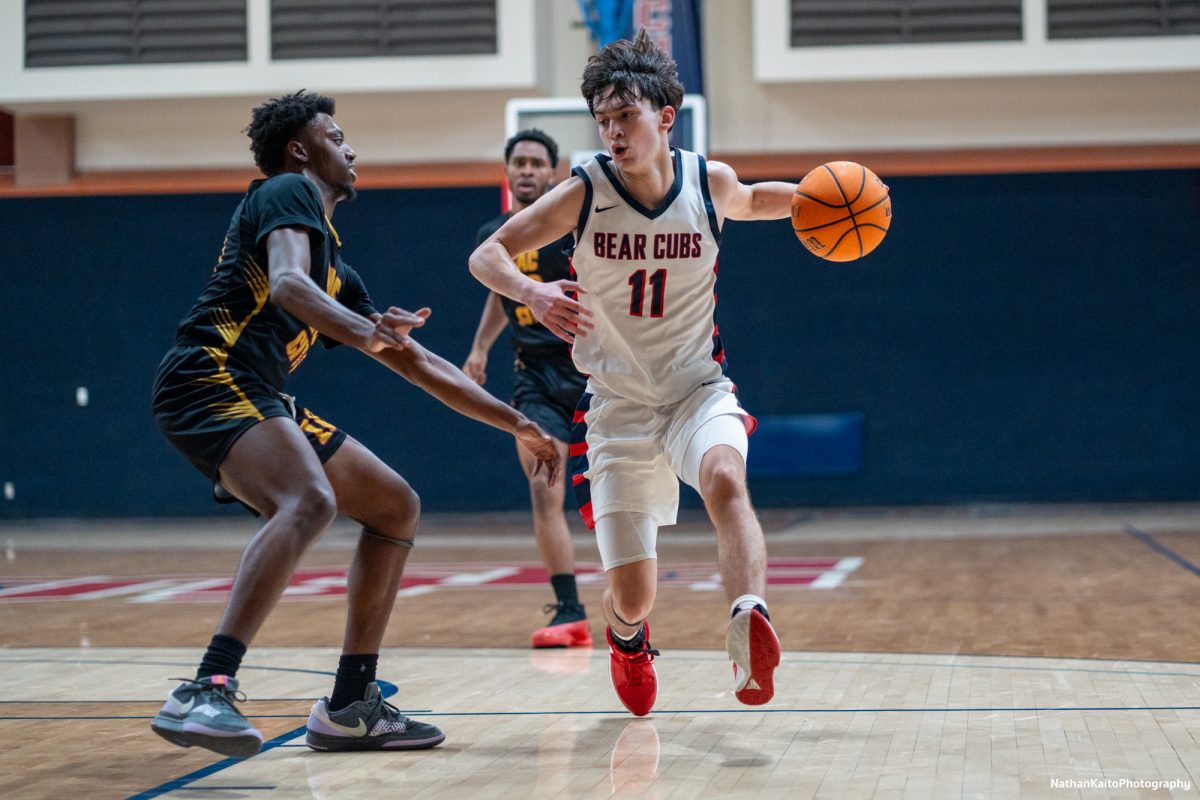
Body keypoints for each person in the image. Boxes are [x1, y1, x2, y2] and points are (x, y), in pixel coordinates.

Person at [149, 91, 561, 757]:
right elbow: (286, 285)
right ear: (301, 149)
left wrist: (518, 423)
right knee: (309, 499)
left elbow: (421, 364)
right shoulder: (287, 189)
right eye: (337, 137)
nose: (352, 149)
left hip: (258, 392)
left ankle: (350, 706)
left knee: (394, 505)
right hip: (207, 373)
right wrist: (371, 336)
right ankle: (206, 687)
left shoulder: (337, 271)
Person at [469, 31, 792, 716]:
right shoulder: (582, 192)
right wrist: (531, 294)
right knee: (634, 593)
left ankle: (749, 617)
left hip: (695, 388)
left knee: (728, 478)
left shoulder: (709, 183)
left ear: (666, 117)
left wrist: (825, 196)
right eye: (604, 121)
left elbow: (761, 199)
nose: (613, 133)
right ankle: (628, 637)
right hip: (616, 407)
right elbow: (488, 255)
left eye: (627, 118)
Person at [462, 129, 591, 649]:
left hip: (590, 369)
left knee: (616, 493)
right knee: (544, 487)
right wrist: (479, 349)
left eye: (538, 163)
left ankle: (630, 601)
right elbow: (500, 294)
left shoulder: (568, 226)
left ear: (553, 172)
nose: (527, 170)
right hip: (532, 376)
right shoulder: (494, 235)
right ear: (508, 170)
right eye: (519, 162)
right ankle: (570, 609)